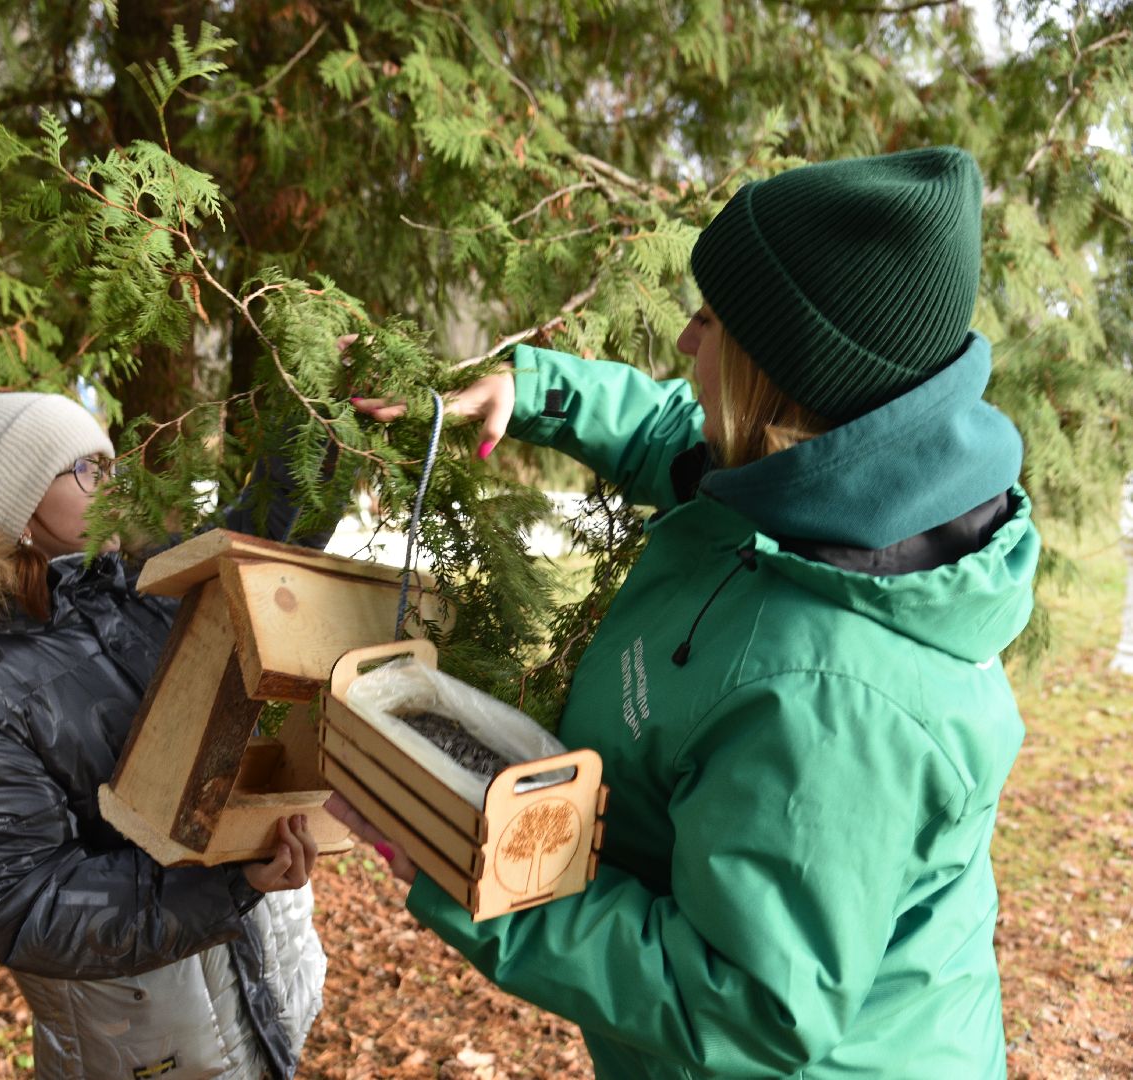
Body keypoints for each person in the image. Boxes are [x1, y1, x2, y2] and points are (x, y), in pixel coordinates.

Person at [339, 146, 1037, 1078]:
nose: (682, 343)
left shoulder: (832, 701)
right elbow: (681, 431)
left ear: (774, 376)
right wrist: (537, 394)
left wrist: (470, 872)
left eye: (710, 323)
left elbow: (742, 1001)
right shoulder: (820, 479)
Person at [0, 389, 329, 1080]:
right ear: (20, 506)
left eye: (110, 465)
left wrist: (320, 419)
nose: (112, 485)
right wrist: (222, 885)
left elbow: (259, 541)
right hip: (151, 1046)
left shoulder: (143, 591)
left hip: (256, 993)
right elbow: (16, 900)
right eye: (86, 469)